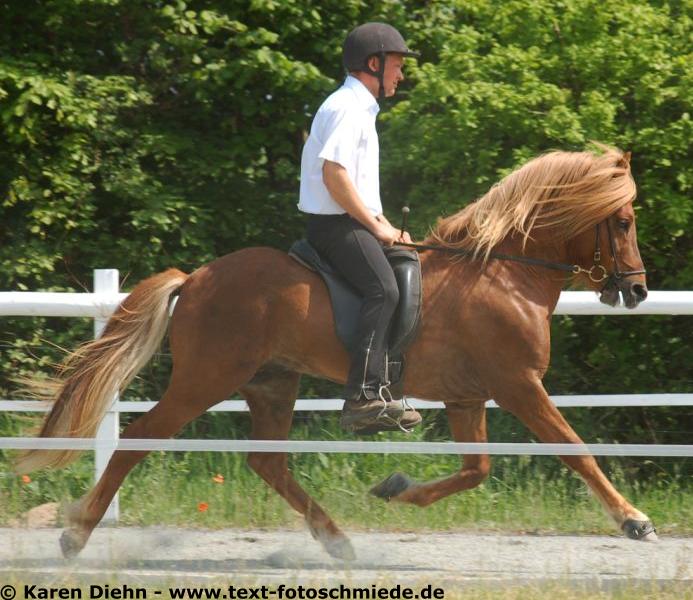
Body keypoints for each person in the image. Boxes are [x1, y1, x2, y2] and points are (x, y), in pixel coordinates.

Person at [298, 22, 423, 433]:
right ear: (375, 62)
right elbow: (335, 177)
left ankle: (389, 383)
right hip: (335, 227)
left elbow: (359, 187)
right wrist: (377, 227)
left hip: (352, 221)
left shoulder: (360, 108)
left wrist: (387, 226)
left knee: (408, 267)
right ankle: (364, 397)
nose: (401, 74)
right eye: (398, 65)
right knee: (382, 289)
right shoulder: (347, 108)